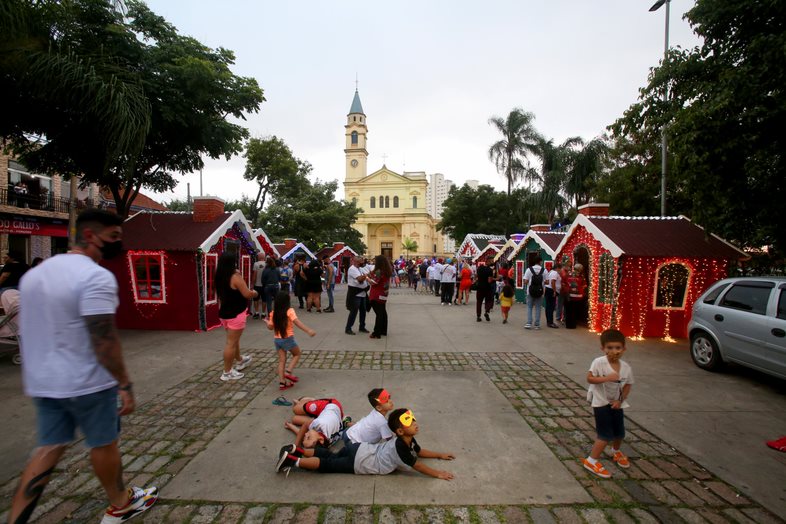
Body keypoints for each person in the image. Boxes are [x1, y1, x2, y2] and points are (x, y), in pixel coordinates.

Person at [9, 209, 158, 524]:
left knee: (49, 447)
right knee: (104, 443)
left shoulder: (35, 275)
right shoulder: (95, 276)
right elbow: (103, 339)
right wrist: (124, 383)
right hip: (89, 381)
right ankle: (120, 503)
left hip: (44, 381)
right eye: (114, 237)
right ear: (90, 235)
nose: (119, 244)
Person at [276, 408, 455, 480]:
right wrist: (438, 474)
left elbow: (420, 451)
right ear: (399, 431)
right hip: (361, 461)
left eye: (413, 419)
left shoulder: (408, 441)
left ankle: (298, 450)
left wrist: (439, 455)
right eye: (409, 421)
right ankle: (293, 460)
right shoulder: (402, 447)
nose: (415, 422)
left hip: (360, 448)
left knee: (332, 456)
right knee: (328, 464)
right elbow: (418, 465)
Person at [582, 329, 634, 479]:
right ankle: (591, 461)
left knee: (619, 431)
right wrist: (606, 378)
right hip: (600, 402)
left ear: (624, 348)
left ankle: (616, 451)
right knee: (605, 434)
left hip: (616, 403)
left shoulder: (626, 367)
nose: (614, 351)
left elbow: (628, 385)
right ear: (603, 348)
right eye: (610, 347)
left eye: (618, 347)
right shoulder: (599, 363)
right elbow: (590, 378)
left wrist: (620, 400)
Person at [215, 252, 257, 381]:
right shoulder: (235, 276)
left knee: (233, 340)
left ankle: (239, 359)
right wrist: (255, 293)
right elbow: (246, 294)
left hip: (224, 312)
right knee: (231, 343)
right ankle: (227, 372)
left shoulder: (219, 275)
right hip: (236, 312)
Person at [266, 291, 315, 391]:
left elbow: (270, 327)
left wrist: (267, 322)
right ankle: (288, 371)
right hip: (288, 338)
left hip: (277, 340)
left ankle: (282, 382)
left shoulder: (273, 313)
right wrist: (308, 330)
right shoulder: (289, 311)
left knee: (281, 361)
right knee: (297, 354)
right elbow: (297, 322)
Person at [345, 256, 371, 335]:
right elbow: (359, 279)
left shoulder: (359, 269)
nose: (362, 263)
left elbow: (365, 278)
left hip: (362, 293)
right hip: (355, 294)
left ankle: (362, 327)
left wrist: (367, 276)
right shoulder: (352, 269)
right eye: (361, 261)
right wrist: (367, 275)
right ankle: (348, 328)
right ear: (356, 262)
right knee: (354, 312)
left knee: (363, 311)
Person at [368, 255, 392, 339]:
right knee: (383, 312)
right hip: (384, 293)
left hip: (376, 294)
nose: (374, 262)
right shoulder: (386, 271)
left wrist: (367, 278)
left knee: (379, 314)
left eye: (375, 261)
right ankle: (383, 330)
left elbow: (374, 282)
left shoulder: (379, 271)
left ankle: (376, 333)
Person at [523, 256, 545, 330]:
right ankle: (537, 324)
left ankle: (529, 323)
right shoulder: (544, 270)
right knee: (538, 307)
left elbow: (525, 281)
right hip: (540, 291)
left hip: (530, 291)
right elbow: (547, 281)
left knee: (529, 307)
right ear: (540, 262)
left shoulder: (529, 270)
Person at [564, 263, 587, 329]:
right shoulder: (581, 276)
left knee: (568, 311)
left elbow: (564, 282)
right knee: (574, 311)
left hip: (569, 295)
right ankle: (573, 325)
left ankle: (568, 325)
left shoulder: (568, 274)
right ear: (580, 269)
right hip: (578, 297)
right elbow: (584, 285)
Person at [475, 256, 496, 322]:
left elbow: (476, 277)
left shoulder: (479, 268)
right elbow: (489, 280)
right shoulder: (490, 270)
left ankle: (478, 316)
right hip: (487, 288)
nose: (492, 262)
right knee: (488, 301)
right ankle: (486, 312)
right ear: (488, 261)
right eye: (491, 261)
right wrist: (495, 279)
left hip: (479, 287)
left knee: (479, 302)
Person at [544, 263, 560, 329]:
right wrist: (554, 291)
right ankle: (550, 322)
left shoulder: (550, 272)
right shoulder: (555, 273)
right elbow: (553, 282)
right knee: (551, 307)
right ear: (557, 268)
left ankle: (549, 321)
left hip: (548, 289)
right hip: (551, 290)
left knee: (548, 306)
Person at [251, 253, 266, 318]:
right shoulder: (267, 264)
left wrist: (252, 284)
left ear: (258, 257)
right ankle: (263, 313)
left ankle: (256, 313)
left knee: (255, 299)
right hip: (265, 285)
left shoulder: (256, 264)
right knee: (264, 299)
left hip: (257, 285)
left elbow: (254, 275)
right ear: (264, 257)